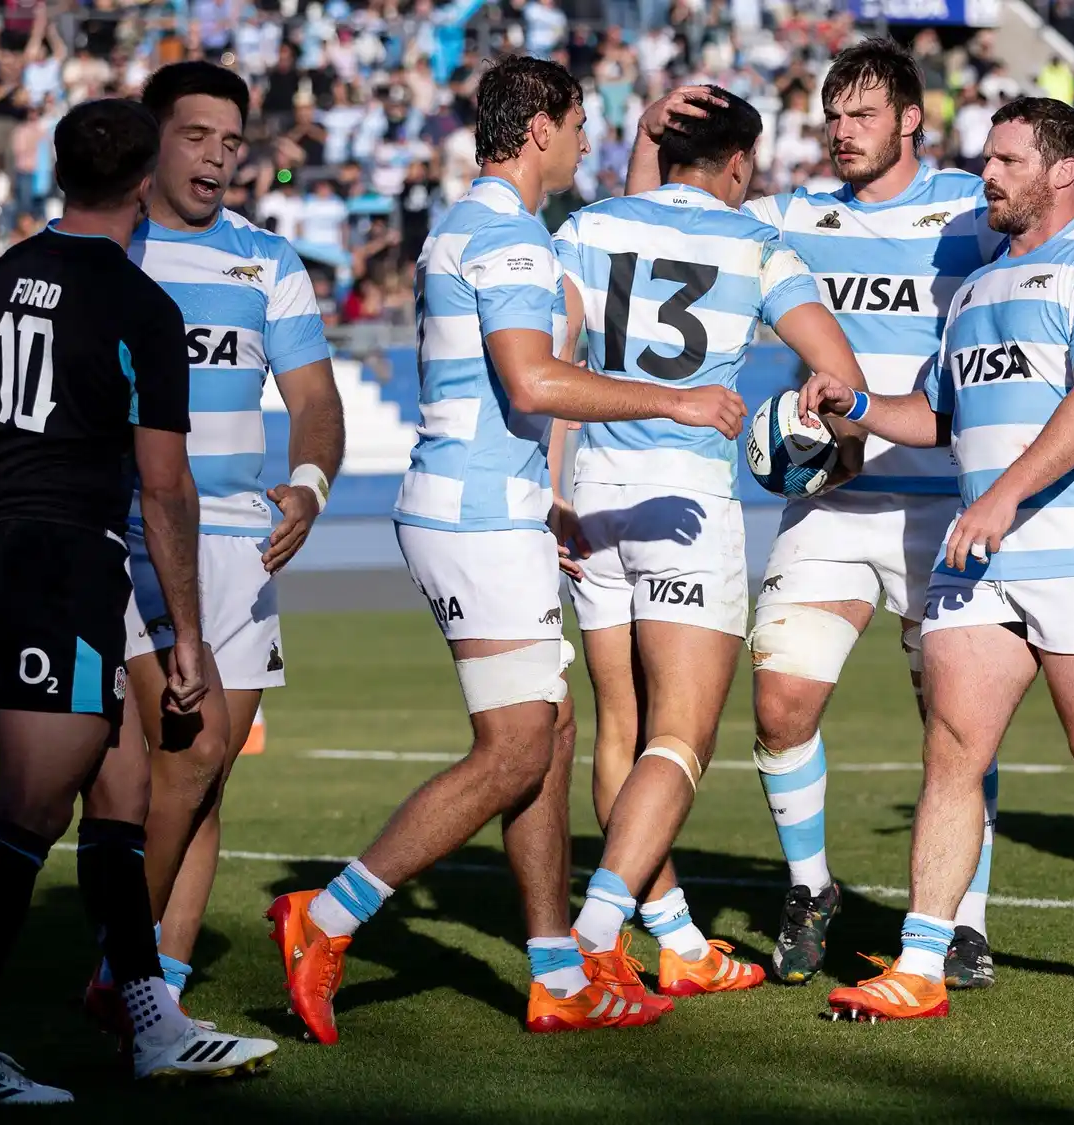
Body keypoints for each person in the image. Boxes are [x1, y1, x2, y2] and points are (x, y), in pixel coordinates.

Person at [264, 55, 747, 1043]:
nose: (585, 143)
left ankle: (556, 969)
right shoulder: (516, 245)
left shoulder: (474, 225)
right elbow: (532, 383)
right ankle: (330, 913)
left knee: (554, 733)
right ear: (539, 131)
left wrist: (547, 503)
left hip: (487, 509)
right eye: (578, 126)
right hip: (477, 519)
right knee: (517, 747)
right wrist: (677, 399)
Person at [799, 97, 1074, 1018]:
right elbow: (936, 418)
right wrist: (855, 404)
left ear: (1061, 170)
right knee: (952, 752)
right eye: (985, 159)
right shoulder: (977, 286)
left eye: (1006, 160)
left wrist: (1002, 494)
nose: (986, 175)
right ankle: (920, 962)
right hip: (981, 554)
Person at [626, 37, 1005, 988]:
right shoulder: (791, 215)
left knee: (959, 725)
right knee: (782, 703)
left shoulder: (971, 206)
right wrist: (646, 137)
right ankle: (810, 888)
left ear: (911, 119)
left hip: (944, 510)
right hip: (829, 503)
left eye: (864, 114)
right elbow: (659, 224)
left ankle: (962, 921)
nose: (843, 131)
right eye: (834, 116)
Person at [0, 98, 276, 1104]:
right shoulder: (141, 309)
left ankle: (149, 1021)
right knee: (31, 808)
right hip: (63, 564)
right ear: (142, 185)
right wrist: (181, 633)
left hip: (4, 547)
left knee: (124, 789)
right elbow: (166, 488)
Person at [549, 88, 867, 996]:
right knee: (680, 741)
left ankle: (680, 940)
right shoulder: (757, 244)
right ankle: (595, 932)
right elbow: (838, 371)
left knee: (621, 729)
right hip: (685, 504)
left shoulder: (591, 226)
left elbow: (559, 365)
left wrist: (553, 489)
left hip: (593, 499)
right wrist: (823, 423)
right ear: (738, 165)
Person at [83, 61, 344, 1031]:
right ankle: (122, 970)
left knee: (211, 769)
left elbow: (315, 400)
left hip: (247, 546)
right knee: (187, 758)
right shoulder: (113, 250)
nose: (219, 158)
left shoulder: (267, 259)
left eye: (231, 143)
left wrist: (310, 486)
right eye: (198, 136)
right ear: (152, 140)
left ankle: (164, 993)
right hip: (140, 534)